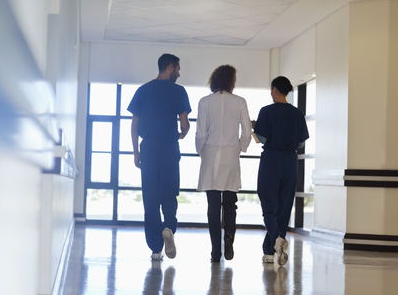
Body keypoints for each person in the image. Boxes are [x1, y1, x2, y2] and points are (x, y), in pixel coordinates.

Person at [127, 53, 191, 261]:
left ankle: (155, 249)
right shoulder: (179, 92)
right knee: (169, 192)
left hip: (149, 149)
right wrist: (183, 133)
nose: (179, 74)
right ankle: (169, 228)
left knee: (150, 197)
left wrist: (136, 152)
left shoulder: (143, 90)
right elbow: (184, 124)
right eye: (178, 69)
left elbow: (134, 124)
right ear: (170, 67)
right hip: (170, 148)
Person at [195, 65, 252, 262]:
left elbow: (201, 133)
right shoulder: (240, 102)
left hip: (211, 156)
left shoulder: (204, 102)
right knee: (230, 204)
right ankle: (229, 236)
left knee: (212, 206)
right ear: (231, 81)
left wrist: (200, 150)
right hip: (230, 157)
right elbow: (246, 131)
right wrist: (241, 148)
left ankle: (215, 252)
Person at [252, 76, 309, 266]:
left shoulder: (266, 111)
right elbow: (301, 142)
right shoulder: (298, 113)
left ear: (275, 90)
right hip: (290, 161)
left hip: (271, 160)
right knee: (284, 207)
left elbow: (260, 139)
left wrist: (254, 128)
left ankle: (277, 239)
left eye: (271, 89)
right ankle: (270, 251)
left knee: (269, 205)